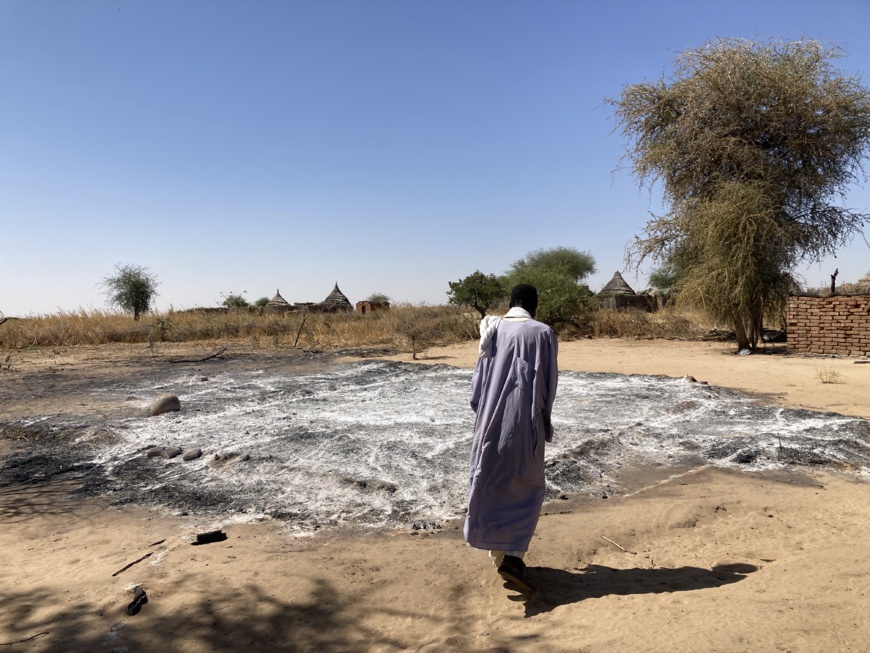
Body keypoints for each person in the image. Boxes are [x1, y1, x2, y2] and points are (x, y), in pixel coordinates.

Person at [464, 283, 558, 593]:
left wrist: (482, 414)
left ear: (511, 302)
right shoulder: (542, 333)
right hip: (523, 424)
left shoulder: (492, 330)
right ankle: (513, 558)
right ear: (534, 304)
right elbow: (548, 383)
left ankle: (499, 557)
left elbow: (479, 384)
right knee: (527, 489)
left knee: (491, 484)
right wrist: (544, 423)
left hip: (490, 423)